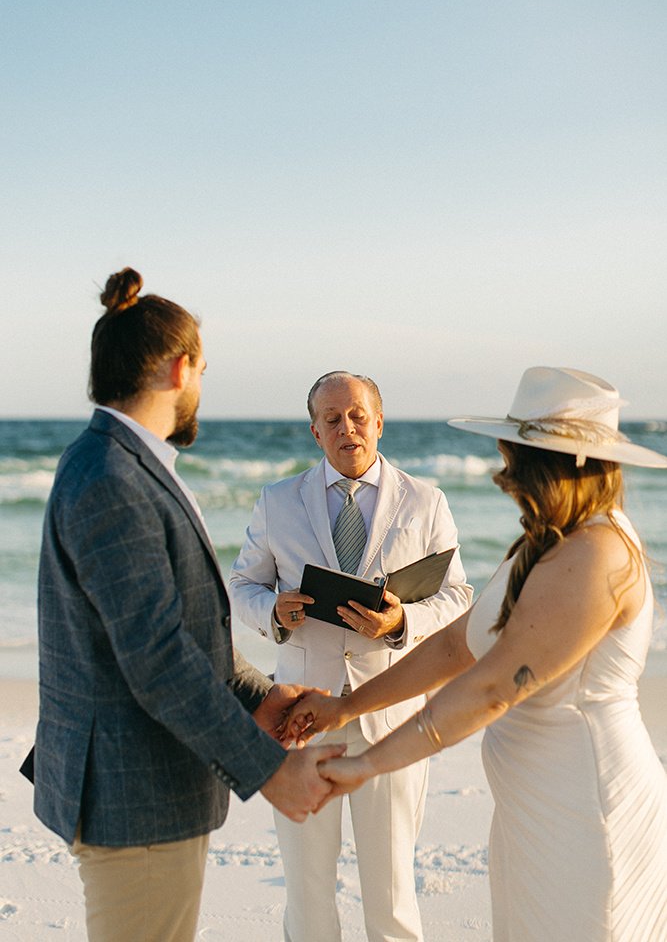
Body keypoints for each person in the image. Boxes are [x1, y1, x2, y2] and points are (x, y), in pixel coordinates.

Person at [289, 366, 667, 942]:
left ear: (575, 463)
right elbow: (451, 645)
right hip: (532, 807)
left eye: (524, 452)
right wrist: (346, 710)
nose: (505, 467)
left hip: (587, 806)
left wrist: (368, 763)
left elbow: (492, 686)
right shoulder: (546, 543)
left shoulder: (599, 553)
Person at [32, 268, 344, 942]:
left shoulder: (117, 461)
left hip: (146, 788)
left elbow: (179, 624)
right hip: (132, 796)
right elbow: (157, 658)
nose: (202, 384)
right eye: (203, 369)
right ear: (181, 368)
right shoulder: (111, 476)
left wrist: (255, 693)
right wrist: (268, 772)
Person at [228, 370, 472, 942]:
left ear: (379, 422)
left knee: (391, 895)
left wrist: (403, 621)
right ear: (315, 431)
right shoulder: (277, 501)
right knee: (308, 894)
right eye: (332, 419)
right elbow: (241, 587)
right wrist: (274, 613)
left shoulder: (426, 500)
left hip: (392, 719)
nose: (347, 428)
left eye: (358, 416)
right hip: (303, 716)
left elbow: (459, 597)